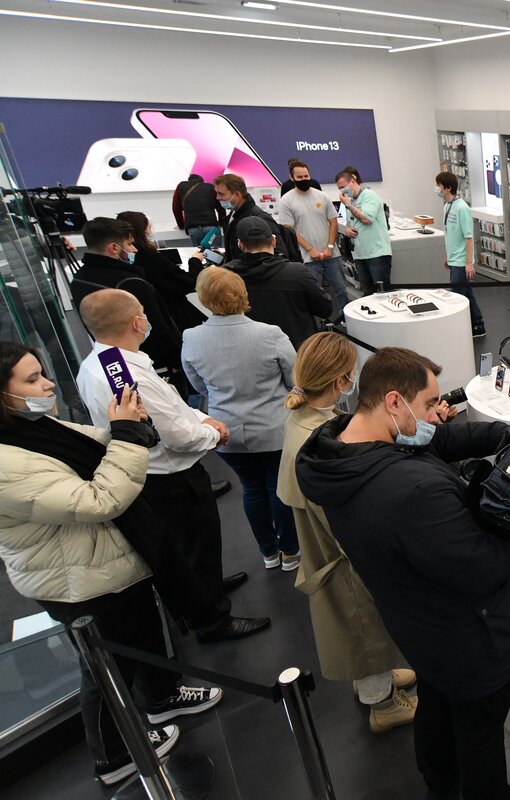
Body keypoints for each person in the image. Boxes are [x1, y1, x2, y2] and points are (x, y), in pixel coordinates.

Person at [295, 347, 510, 800]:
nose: (434, 416)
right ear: (393, 401)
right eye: (427, 405)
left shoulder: (343, 448)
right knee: (481, 733)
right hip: (469, 640)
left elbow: (434, 442)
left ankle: (440, 786)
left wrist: (503, 436)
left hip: (417, 626)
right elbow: (483, 568)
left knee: (437, 708)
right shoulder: (413, 494)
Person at [0, 342, 226, 785]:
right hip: (78, 579)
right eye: (32, 379)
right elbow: (97, 500)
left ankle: (162, 698)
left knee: (143, 635)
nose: (48, 384)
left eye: (42, 373)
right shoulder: (8, 462)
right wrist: (125, 437)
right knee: (108, 666)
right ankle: (115, 754)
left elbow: (94, 444)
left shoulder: (36, 426)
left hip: (111, 560)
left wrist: (128, 427)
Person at [75, 289, 270, 643]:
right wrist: (214, 433)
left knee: (195, 547)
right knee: (195, 543)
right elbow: (177, 435)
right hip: (170, 477)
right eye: (143, 312)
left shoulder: (102, 363)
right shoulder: (127, 375)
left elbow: (170, 408)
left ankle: (207, 588)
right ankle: (212, 620)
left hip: (154, 474)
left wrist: (202, 418)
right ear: (136, 323)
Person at [277, 332, 418, 734]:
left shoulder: (303, 420)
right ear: (341, 380)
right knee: (363, 627)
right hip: (341, 555)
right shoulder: (320, 441)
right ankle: (382, 703)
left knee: (360, 626)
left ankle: (377, 680)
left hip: (323, 549)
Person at [181, 268, 301, 571]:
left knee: (251, 489)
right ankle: (290, 551)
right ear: (243, 294)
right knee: (278, 489)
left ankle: (268, 553)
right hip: (274, 429)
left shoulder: (191, 337)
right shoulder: (270, 334)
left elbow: (197, 386)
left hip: (227, 432)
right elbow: (295, 378)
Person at [70, 217, 185, 391]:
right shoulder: (130, 282)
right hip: (153, 365)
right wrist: (176, 360)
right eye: (130, 244)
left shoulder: (78, 280)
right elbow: (158, 328)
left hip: (113, 361)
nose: (135, 249)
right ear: (114, 248)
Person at [225, 217, 333, 349]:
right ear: (274, 240)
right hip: (299, 350)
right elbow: (325, 309)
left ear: (240, 244)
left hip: (252, 349)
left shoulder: (227, 276)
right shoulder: (297, 273)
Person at [280, 159, 350, 322]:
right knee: (314, 295)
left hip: (332, 255)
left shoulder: (321, 196)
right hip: (308, 258)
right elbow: (290, 229)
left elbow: (333, 222)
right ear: (292, 178)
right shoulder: (286, 201)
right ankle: (319, 325)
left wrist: (330, 246)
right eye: (300, 177)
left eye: (306, 176)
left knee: (341, 290)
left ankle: (346, 320)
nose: (304, 179)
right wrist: (310, 249)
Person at [117, 211, 207, 335]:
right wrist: (195, 261)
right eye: (147, 233)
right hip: (175, 320)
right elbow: (189, 282)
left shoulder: (125, 262)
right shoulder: (154, 260)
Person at [436, 171, 486, 337]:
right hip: (454, 260)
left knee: (457, 298)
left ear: (447, 188)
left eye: (439, 185)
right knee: (467, 294)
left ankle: (461, 329)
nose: (437, 189)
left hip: (461, 262)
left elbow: (468, 237)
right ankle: (478, 325)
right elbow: (452, 235)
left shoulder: (462, 208)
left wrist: (468, 262)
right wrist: (448, 257)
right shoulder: (447, 206)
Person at [335, 166, 391, 295]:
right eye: (339, 188)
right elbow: (349, 223)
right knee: (367, 293)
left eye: (343, 186)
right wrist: (347, 229)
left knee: (382, 293)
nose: (342, 191)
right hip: (360, 255)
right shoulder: (351, 201)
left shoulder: (369, 195)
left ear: (353, 181)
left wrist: (348, 204)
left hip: (377, 254)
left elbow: (366, 219)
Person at [213, 173, 285, 263]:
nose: (217, 197)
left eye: (221, 194)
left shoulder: (260, 218)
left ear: (237, 194)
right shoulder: (232, 216)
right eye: (216, 193)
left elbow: (280, 254)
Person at [172, 173, 227, 248]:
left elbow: (176, 208)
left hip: (193, 228)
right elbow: (220, 208)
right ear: (202, 181)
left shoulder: (181, 187)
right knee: (215, 253)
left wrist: (181, 225)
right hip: (211, 228)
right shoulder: (210, 187)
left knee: (199, 253)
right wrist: (221, 223)